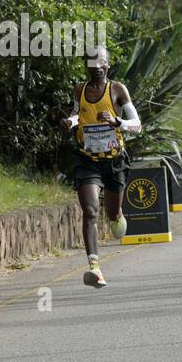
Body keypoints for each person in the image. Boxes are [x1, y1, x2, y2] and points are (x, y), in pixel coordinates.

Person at [63, 46, 140, 288]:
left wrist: (118, 121)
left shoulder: (117, 90)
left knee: (112, 215)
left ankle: (117, 215)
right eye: (90, 63)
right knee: (90, 210)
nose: (95, 67)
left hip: (115, 160)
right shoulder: (80, 89)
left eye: (100, 63)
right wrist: (71, 121)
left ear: (108, 65)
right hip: (88, 160)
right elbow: (78, 113)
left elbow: (137, 124)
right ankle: (94, 268)